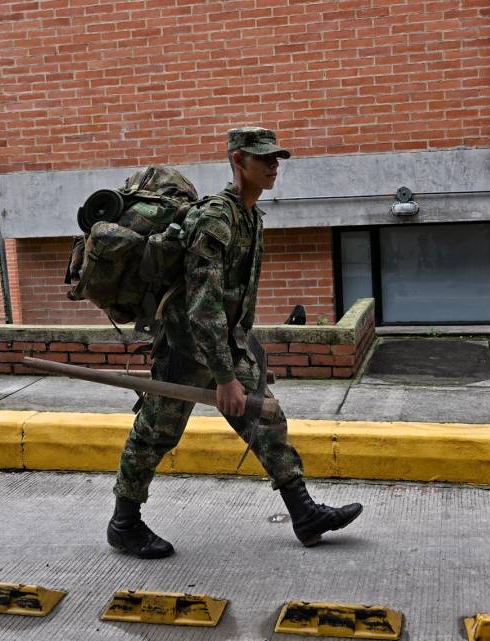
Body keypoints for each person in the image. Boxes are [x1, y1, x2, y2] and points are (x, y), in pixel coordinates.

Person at [107, 127, 363, 559]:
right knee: (155, 434)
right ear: (238, 160)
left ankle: (304, 513)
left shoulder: (250, 217)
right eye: (264, 158)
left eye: (276, 158)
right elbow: (202, 308)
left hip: (224, 345)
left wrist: (242, 355)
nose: (273, 165)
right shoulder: (216, 219)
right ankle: (123, 524)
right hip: (187, 349)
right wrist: (226, 378)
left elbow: (230, 305)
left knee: (267, 419)